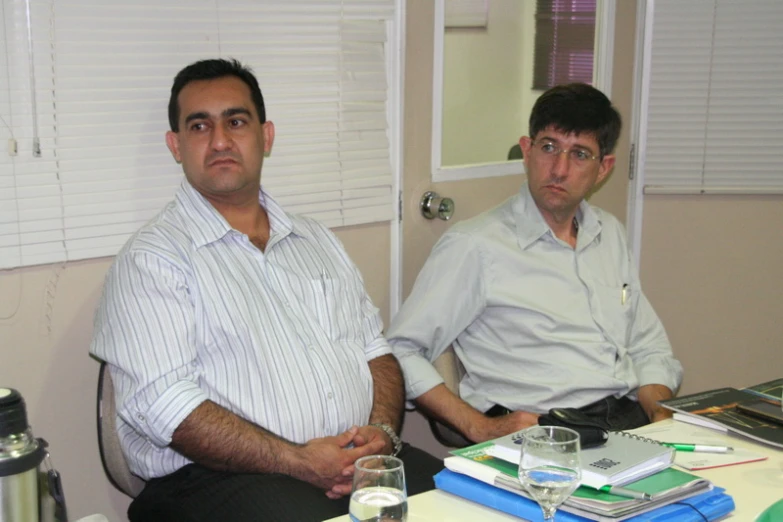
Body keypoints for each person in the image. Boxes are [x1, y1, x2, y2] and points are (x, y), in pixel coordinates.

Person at [90, 58, 442, 522]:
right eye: (200, 126)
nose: (219, 141)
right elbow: (165, 407)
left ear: (266, 136)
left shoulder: (317, 240)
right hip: (216, 481)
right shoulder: (152, 260)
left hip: (351, 461)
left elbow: (375, 351)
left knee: (463, 499)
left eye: (235, 121)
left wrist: (379, 434)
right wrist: (297, 460)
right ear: (176, 145)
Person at [387, 83, 683, 444]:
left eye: (579, 154)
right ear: (526, 151)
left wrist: (663, 418)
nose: (559, 169)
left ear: (603, 168)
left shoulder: (610, 235)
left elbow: (648, 346)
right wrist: (478, 426)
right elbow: (402, 349)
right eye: (548, 147)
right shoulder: (476, 245)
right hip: (546, 431)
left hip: (626, 417)